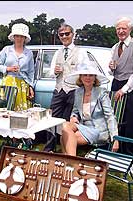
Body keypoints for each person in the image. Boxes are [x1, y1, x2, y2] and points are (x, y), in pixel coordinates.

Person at [43, 23, 90, 152]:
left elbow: (86, 71)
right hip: (59, 89)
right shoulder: (58, 52)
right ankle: (49, 149)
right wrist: (55, 71)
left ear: (72, 35)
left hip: (74, 90)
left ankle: (67, 149)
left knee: (70, 122)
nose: (64, 36)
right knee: (51, 120)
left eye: (67, 34)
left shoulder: (81, 52)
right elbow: (50, 72)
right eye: (61, 34)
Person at [61, 63, 119, 156]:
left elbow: (110, 116)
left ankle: (70, 162)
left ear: (95, 78)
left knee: (66, 137)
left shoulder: (101, 92)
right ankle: (71, 162)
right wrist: (74, 117)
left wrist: (115, 138)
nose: (88, 78)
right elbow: (75, 111)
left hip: (97, 130)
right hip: (83, 127)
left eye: (91, 75)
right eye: (85, 75)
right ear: (81, 77)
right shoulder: (78, 92)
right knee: (65, 128)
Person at [109, 16, 133, 154]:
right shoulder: (114, 47)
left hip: (131, 86)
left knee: (129, 121)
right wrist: (111, 67)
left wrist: (124, 90)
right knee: (115, 119)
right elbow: (111, 71)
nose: (121, 31)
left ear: (130, 29)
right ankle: (114, 150)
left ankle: (128, 154)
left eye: (124, 28)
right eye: (118, 28)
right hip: (116, 82)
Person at [0, 23, 35, 111]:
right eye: (17, 36)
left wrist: (31, 86)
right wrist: (8, 68)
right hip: (8, 84)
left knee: (21, 112)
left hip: (23, 85)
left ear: (25, 38)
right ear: (14, 37)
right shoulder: (6, 49)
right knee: (7, 110)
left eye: (21, 36)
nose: (19, 39)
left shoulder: (29, 53)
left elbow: (31, 72)